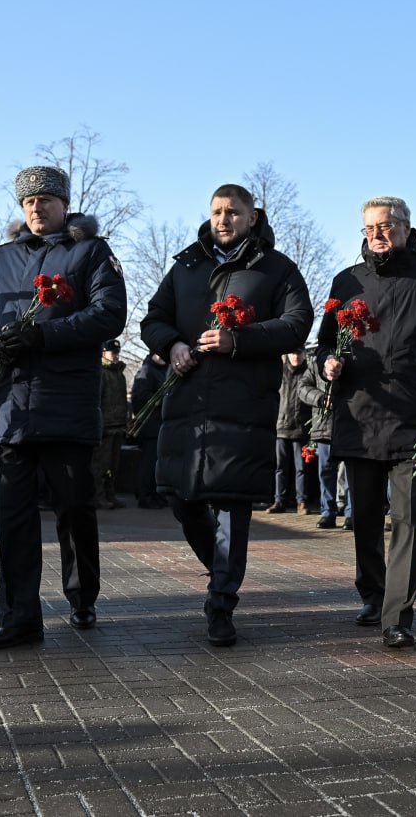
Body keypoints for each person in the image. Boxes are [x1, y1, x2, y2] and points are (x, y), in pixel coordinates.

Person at [140, 183, 312, 647]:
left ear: (252, 216)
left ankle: (221, 604)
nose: (223, 220)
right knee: (182, 501)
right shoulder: (186, 265)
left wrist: (240, 340)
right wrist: (172, 344)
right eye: (216, 211)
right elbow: (153, 319)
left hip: (244, 407)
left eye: (233, 212)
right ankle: (219, 572)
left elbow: (297, 324)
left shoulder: (276, 269)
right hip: (187, 408)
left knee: (232, 510)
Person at [0, 164, 127, 650]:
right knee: (12, 520)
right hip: (10, 409)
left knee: (74, 510)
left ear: (63, 203)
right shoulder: (1, 260)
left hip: (66, 406)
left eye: (45, 200)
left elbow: (109, 312)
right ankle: (19, 618)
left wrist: (44, 333)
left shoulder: (91, 252)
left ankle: (82, 597)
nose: (36, 208)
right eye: (28, 202)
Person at [319, 195, 416, 648]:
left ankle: (398, 615)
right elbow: (324, 345)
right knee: (366, 518)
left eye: (387, 225)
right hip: (360, 414)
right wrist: (328, 364)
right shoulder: (346, 281)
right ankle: (372, 594)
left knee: (409, 520)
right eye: (370, 227)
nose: (377, 233)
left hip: (415, 420)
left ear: (407, 229)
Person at [296, 354, 351, 529]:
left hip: (351, 424)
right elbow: (302, 387)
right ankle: (328, 512)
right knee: (326, 471)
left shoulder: (353, 357)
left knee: (351, 473)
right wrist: (320, 398)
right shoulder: (317, 361)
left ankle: (351, 514)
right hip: (324, 425)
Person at [268, 348, 311, 515]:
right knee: (280, 467)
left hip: (300, 429)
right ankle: (279, 500)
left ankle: (301, 501)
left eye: (299, 353)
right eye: (293, 353)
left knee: (301, 468)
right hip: (280, 427)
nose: (296, 356)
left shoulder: (308, 371)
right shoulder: (280, 370)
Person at [91, 340, 129, 510]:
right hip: (105, 426)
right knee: (100, 465)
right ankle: (98, 496)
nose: (116, 355)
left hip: (118, 424)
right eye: (112, 352)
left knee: (113, 465)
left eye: (117, 352)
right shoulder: (101, 372)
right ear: (103, 353)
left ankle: (110, 494)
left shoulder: (119, 373)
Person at [130, 353, 169, 509]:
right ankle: (145, 495)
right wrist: (161, 399)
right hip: (150, 425)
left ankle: (154, 494)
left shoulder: (163, 370)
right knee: (149, 463)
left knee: (156, 463)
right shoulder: (147, 371)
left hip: (159, 424)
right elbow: (140, 395)